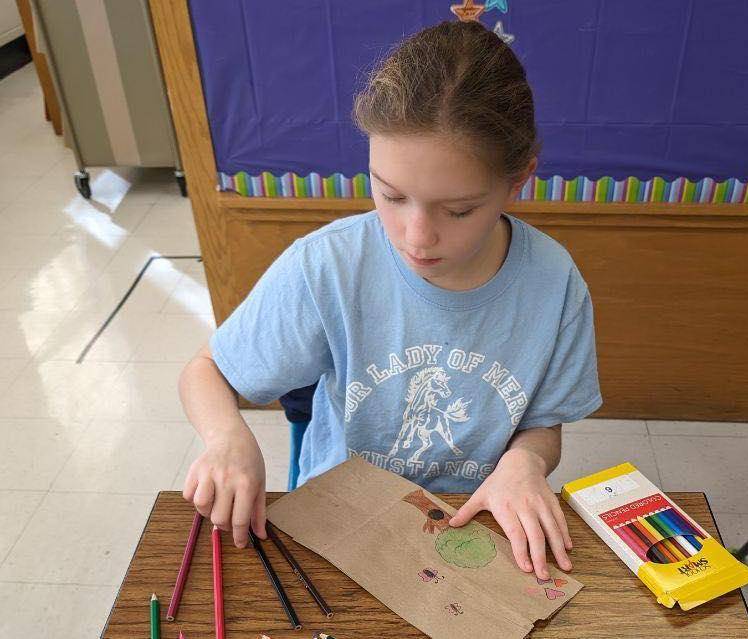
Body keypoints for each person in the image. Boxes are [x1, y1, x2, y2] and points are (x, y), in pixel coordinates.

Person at [178, 19, 601, 581]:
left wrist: (524, 463)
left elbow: (544, 423)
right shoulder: (328, 264)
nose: (416, 236)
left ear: (518, 180)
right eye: (391, 195)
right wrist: (228, 436)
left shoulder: (555, 282)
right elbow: (206, 370)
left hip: (474, 520)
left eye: (458, 210)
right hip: (338, 521)